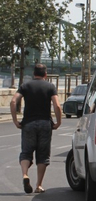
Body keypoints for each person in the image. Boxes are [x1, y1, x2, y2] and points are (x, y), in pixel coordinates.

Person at [10, 63, 61, 194]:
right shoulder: (50, 86)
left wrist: (16, 120)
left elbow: (13, 101)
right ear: (46, 74)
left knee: (26, 152)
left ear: (34, 74)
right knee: (43, 155)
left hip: (28, 123)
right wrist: (58, 122)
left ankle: (25, 175)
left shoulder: (25, 86)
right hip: (45, 123)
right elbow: (57, 106)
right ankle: (39, 185)